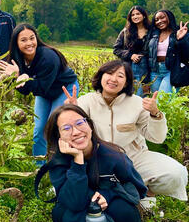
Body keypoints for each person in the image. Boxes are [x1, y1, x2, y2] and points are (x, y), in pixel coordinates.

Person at [63, 60, 188, 208]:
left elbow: (157, 137)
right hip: (98, 162)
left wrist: (155, 114)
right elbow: (69, 132)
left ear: (127, 82)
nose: (113, 79)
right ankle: (121, 191)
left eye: (120, 76)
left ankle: (147, 192)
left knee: (176, 173)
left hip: (134, 158)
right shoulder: (85, 101)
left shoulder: (137, 103)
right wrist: (71, 111)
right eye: (109, 73)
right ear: (101, 76)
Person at [44, 104, 147, 222]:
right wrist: (78, 161)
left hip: (113, 206)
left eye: (80, 123)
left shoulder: (114, 157)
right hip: (77, 204)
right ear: (59, 136)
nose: (76, 132)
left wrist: (108, 195)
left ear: (90, 126)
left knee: (122, 210)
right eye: (66, 128)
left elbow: (138, 189)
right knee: (63, 213)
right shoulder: (58, 162)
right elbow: (74, 201)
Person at [0, 23, 78, 164]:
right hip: (45, 91)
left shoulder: (48, 57)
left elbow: (40, 88)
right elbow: (24, 90)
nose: (29, 43)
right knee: (39, 130)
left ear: (36, 38)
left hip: (65, 89)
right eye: (23, 40)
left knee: (54, 126)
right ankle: (39, 167)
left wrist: (21, 78)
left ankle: (60, 165)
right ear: (16, 43)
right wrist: (15, 78)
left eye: (32, 38)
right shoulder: (17, 60)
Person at [147, 9, 189, 93]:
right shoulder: (153, 34)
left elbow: (186, 54)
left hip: (170, 71)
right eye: (156, 20)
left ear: (169, 17)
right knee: (156, 101)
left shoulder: (179, 32)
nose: (159, 21)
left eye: (162, 18)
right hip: (154, 72)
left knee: (163, 100)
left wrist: (180, 40)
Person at [113, 6, 150, 96]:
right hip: (130, 68)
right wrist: (130, 55)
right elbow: (116, 49)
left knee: (144, 97)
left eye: (138, 14)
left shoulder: (151, 31)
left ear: (144, 15)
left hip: (147, 69)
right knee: (133, 95)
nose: (135, 16)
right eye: (133, 15)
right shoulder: (126, 32)